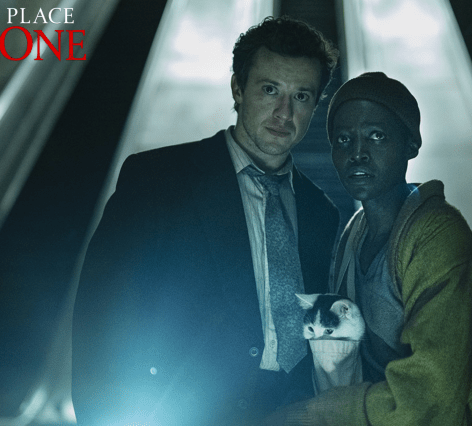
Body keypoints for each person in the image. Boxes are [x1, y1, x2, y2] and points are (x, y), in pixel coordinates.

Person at [71, 16, 340, 425]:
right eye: (270, 89)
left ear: (315, 106)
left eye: (301, 96)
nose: (284, 112)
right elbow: (101, 319)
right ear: (237, 89)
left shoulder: (321, 212)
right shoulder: (158, 180)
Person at [266, 72, 472, 425]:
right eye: (343, 140)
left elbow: (433, 393)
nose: (357, 153)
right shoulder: (354, 234)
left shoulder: (437, 235)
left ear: (411, 144)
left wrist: (315, 413)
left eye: (376, 136)